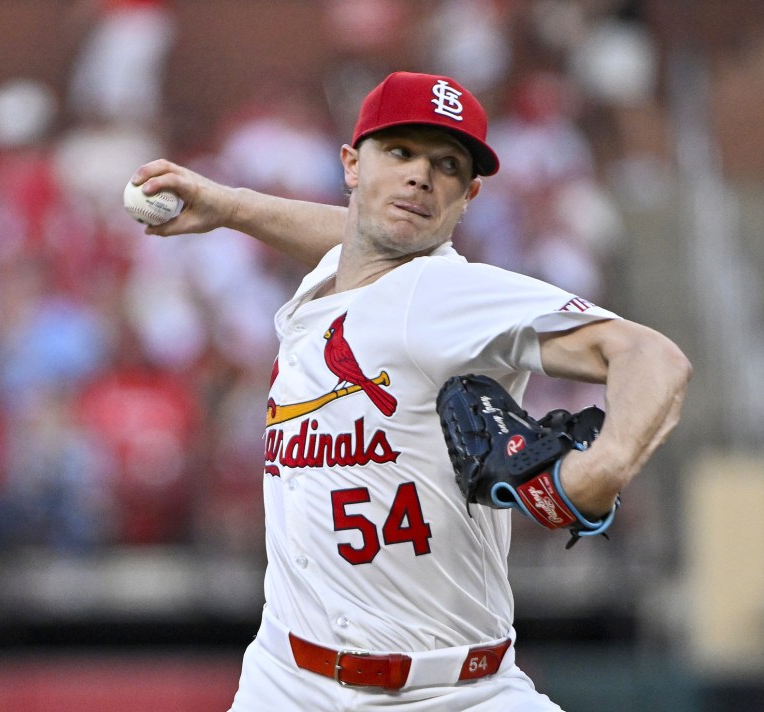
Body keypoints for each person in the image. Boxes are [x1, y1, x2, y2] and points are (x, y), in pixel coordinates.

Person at [130, 70, 691, 711]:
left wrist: (606, 465)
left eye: (447, 164)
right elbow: (348, 239)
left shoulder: (448, 294)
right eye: (400, 153)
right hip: (286, 681)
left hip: (455, 693)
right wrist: (230, 207)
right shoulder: (335, 277)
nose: (421, 176)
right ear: (350, 164)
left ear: (470, 193)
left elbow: (652, 354)